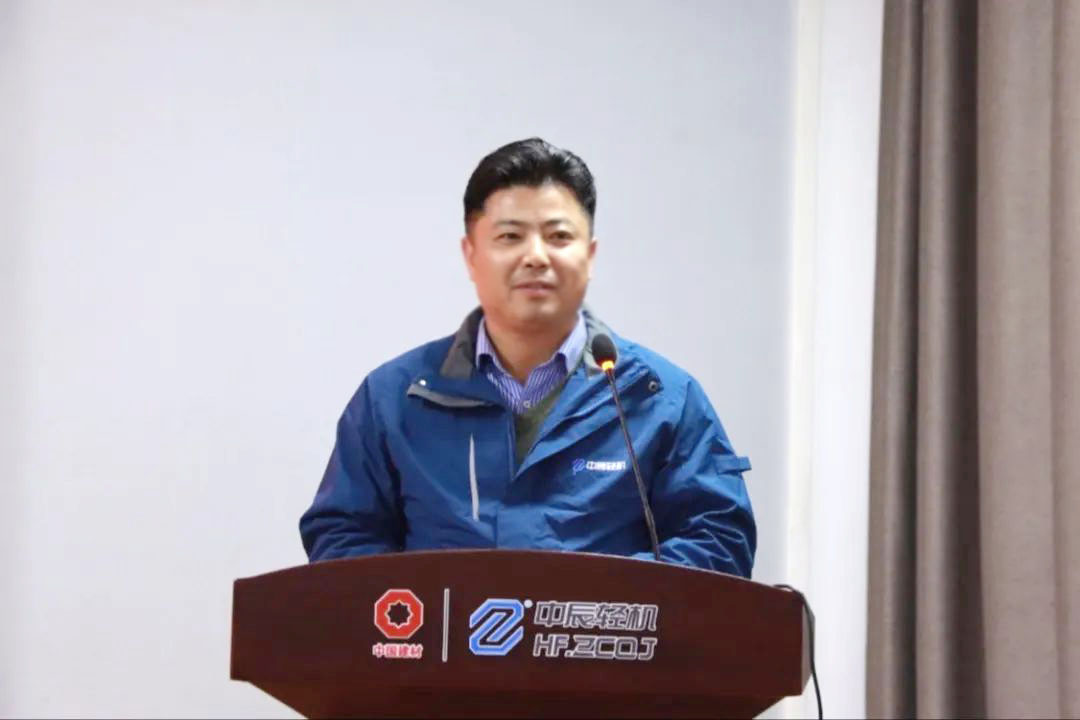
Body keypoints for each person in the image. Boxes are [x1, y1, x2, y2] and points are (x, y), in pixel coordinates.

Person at [299, 138, 756, 577]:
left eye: (559, 236)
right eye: (510, 236)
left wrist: (597, 602)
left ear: (590, 255)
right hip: (442, 634)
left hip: (602, 633)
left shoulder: (658, 397)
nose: (536, 256)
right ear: (471, 255)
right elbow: (344, 536)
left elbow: (717, 540)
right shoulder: (395, 397)